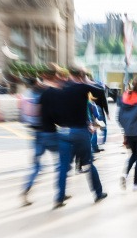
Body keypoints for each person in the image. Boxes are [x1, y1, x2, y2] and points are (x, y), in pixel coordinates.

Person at [52, 66, 108, 209]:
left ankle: (59, 197)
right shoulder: (82, 87)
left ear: (70, 74)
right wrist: (86, 81)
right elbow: (101, 91)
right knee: (88, 163)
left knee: (63, 166)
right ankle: (98, 193)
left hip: (63, 131)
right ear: (81, 75)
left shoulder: (61, 89)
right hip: (79, 131)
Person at [21, 65, 61, 206]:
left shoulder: (28, 94)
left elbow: (23, 117)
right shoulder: (47, 91)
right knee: (61, 162)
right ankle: (60, 192)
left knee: (37, 166)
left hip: (35, 133)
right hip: (49, 132)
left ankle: (26, 190)